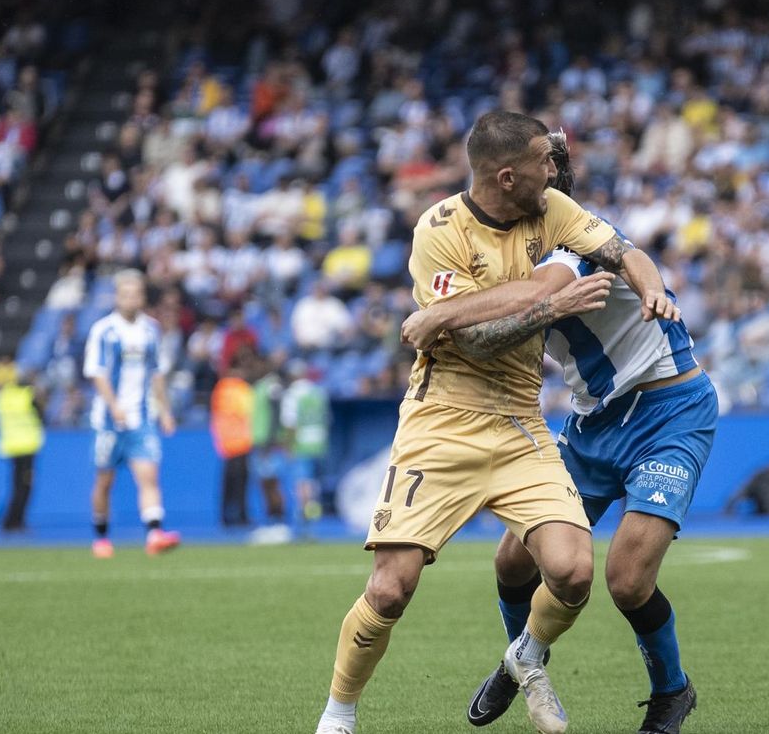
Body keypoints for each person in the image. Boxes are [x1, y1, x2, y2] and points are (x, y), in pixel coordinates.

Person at [314, 111, 674, 734]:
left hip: (518, 420)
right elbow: (476, 341)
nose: (555, 169)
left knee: (573, 570)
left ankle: (524, 655)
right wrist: (547, 304)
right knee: (391, 589)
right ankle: (338, 715)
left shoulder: (552, 209)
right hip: (442, 418)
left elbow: (619, 249)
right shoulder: (439, 230)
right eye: (544, 161)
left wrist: (651, 286)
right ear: (508, 176)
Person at [402, 131, 710, 734]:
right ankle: (525, 662)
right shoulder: (505, 249)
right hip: (592, 422)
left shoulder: (568, 245)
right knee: (514, 561)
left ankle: (672, 691)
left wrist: (650, 288)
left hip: (667, 411)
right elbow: (490, 324)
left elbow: (610, 262)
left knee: (625, 579)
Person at [82, 269, 182, 558]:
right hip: (108, 421)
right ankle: (101, 537)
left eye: (136, 294)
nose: (131, 299)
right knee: (104, 482)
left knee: (148, 475)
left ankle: (154, 533)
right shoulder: (104, 330)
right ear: (117, 297)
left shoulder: (151, 329)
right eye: (125, 294)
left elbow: (157, 373)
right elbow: (97, 373)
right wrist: (114, 405)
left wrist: (164, 411)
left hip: (142, 418)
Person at [0, 361, 45, 532]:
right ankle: (14, 521)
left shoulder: (2, 397)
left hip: (11, 446)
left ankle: (12, 520)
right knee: (25, 486)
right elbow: (41, 414)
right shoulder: (27, 394)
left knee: (16, 485)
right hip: (27, 445)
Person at [281, 360, 332, 525]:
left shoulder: (292, 394)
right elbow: (327, 418)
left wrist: (288, 446)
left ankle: (305, 515)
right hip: (319, 441)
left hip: (302, 442)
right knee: (314, 480)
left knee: (302, 481)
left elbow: (290, 423)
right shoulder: (318, 392)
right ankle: (314, 512)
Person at [250, 360, 291, 544]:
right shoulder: (259, 386)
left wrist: (270, 440)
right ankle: (271, 524)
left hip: (268, 443)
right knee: (264, 483)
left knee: (272, 482)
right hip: (260, 441)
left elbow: (275, 414)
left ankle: (280, 524)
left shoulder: (271, 386)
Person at [210, 358, 255, 528]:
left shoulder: (220, 388)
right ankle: (242, 516)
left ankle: (225, 516)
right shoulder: (241, 388)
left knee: (227, 481)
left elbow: (216, 415)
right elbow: (248, 412)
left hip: (226, 442)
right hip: (242, 441)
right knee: (242, 482)